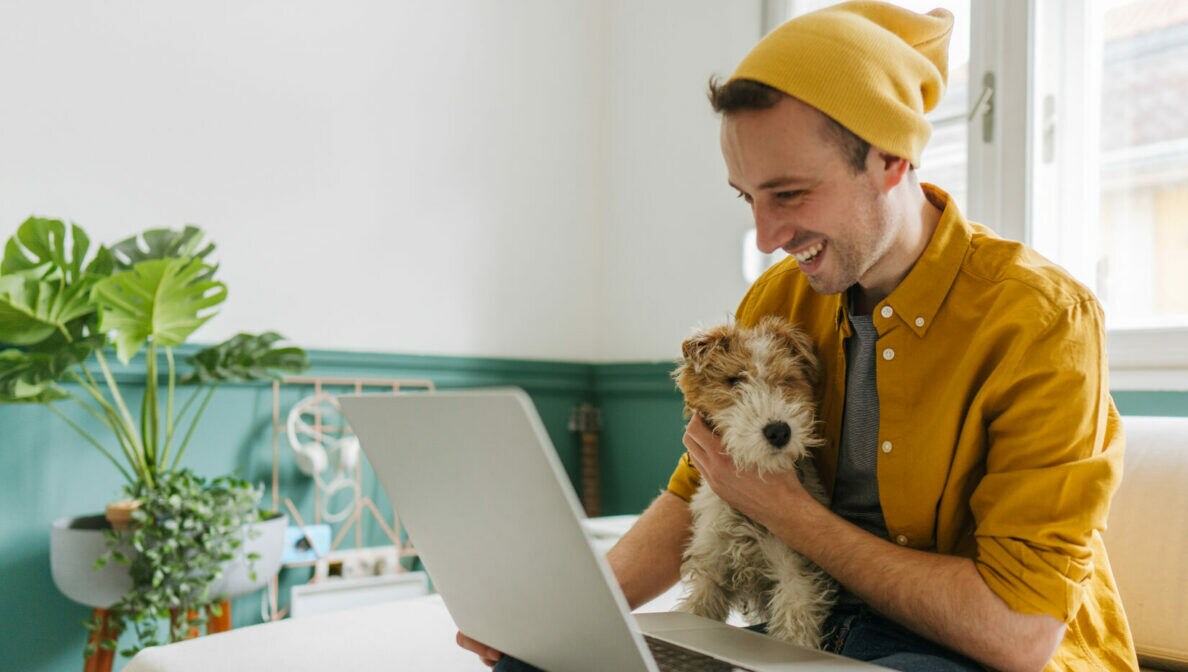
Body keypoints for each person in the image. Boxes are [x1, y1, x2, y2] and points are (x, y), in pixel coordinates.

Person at [460, 2, 1140, 670]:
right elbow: (701, 488)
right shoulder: (781, 298)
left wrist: (792, 516)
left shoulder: (1043, 321)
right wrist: (570, 616)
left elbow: (1018, 635)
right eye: (746, 197)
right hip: (808, 633)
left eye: (788, 194)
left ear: (891, 160)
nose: (765, 237)